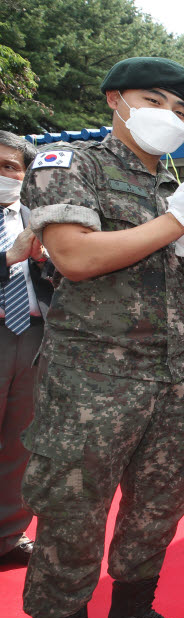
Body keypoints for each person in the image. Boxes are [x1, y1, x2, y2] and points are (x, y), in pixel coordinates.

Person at [20, 56, 184, 618]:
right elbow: (75, 258)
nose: (170, 117)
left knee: (159, 505)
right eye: (155, 101)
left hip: (171, 379)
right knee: (74, 510)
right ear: (116, 99)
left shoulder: (179, 189)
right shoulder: (71, 165)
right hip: (92, 380)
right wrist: (173, 224)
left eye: (182, 110)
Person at [0, 131, 52, 569]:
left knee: (21, 442)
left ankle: (6, 537)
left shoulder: (39, 218)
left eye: (10, 167)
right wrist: (9, 258)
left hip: (32, 337)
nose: (3, 175)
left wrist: (47, 263)